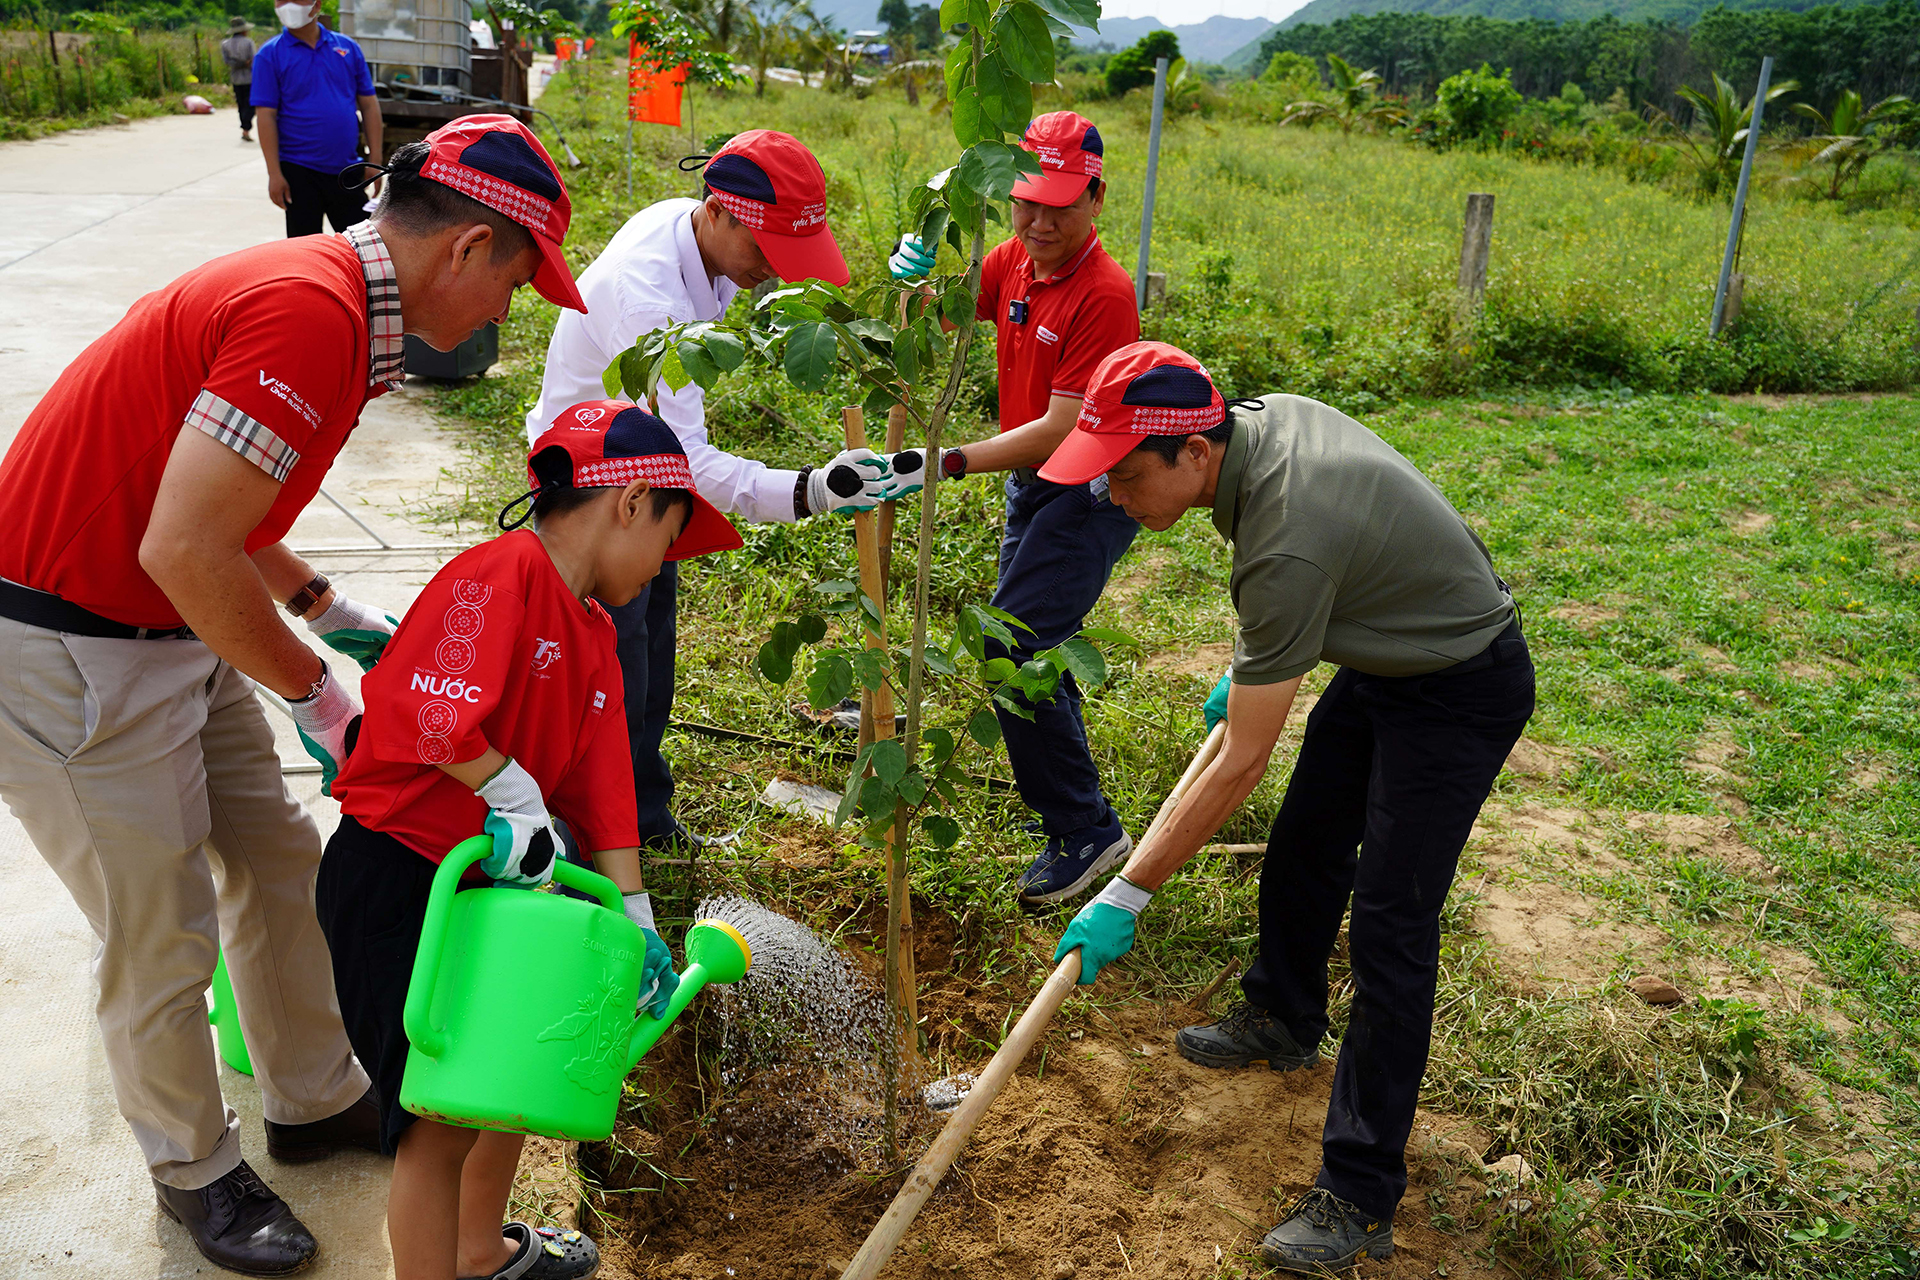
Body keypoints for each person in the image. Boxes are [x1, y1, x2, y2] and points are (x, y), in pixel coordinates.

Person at [0, 114, 585, 1277]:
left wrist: (320, 603)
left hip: (169, 623)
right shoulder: (308, 311)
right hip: (72, 642)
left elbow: (221, 502)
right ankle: (191, 1170)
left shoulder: (333, 305)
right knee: (156, 924)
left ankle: (315, 1096)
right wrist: (322, 692)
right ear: (468, 247)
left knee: (275, 856)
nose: (508, 316)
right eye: (517, 283)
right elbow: (184, 542)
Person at [1043, 342, 1534, 1274]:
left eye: (1124, 473)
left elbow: (1238, 764)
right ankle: (1283, 1018)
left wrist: (1128, 894)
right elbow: (1339, 561)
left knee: (1392, 924)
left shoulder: (1284, 538)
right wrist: (1254, 667)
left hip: (1459, 685)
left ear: (1193, 451)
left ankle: (1359, 1197)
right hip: (1388, 652)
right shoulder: (1254, 428)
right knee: (1307, 838)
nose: (1109, 496)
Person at [320, 401, 742, 1280]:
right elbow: (423, 712)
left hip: (483, 895)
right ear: (630, 503)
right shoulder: (499, 575)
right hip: (400, 878)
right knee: (436, 1123)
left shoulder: (590, 630)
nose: (667, 564)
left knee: (504, 1081)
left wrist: (633, 911)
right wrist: (511, 792)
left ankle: (479, 1252)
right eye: (671, 537)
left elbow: (601, 783)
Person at [530, 129, 907, 848]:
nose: (770, 271)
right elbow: (687, 462)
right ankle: (594, 842)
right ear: (720, 210)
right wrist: (812, 490)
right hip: (590, 493)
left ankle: (645, 821)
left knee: (650, 663)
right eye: (765, 251)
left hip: (637, 480)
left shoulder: (690, 232)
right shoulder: (651, 298)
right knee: (612, 676)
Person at [888, 110, 1141, 906]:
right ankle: (1069, 800)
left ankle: (1087, 830)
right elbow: (934, 326)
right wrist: (914, 285)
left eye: (1058, 207)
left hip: (1094, 490)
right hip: (1033, 487)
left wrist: (946, 460)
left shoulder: (1103, 294)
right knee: (1033, 643)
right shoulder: (1011, 262)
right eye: (1025, 204)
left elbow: (1063, 430)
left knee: (1016, 649)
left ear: (1097, 198)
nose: (1037, 223)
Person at [251, 0, 383, 237]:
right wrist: (274, 173)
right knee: (305, 252)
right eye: (281, 0)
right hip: (298, 172)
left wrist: (375, 159)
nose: (287, 5)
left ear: (316, 5)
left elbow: (369, 105)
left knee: (363, 250)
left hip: (347, 168)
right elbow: (266, 116)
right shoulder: (269, 55)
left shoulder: (347, 48)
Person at [220, 16, 257, 142]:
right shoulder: (248, 42)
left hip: (235, 78)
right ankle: (246, 127)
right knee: (251, 104)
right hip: (250, 78)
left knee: (241, 104)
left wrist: (238, 63)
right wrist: (245, 63)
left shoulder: (225, 44)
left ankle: (245, 129)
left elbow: (227, 61)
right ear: (243, 30)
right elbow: (254, 60)